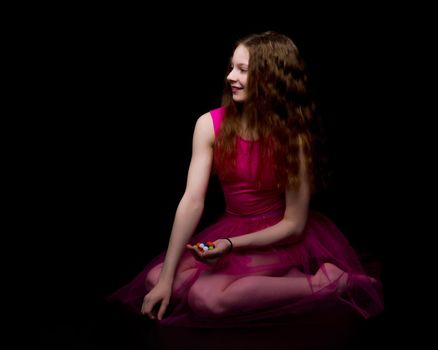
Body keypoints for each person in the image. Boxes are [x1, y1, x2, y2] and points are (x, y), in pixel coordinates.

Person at [107, 31, 384, 327]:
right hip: (232, 228)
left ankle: (324, 281)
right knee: (155, 278)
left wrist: (230, 244)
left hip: (279, 236)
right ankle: (277, 281)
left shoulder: (293, 138)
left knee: (206, 298)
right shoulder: (209, 124)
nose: (230, 77)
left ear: (270, 78)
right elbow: (192, 201)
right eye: (231, 67)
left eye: (242, 70)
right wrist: (165, 278)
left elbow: (294, 225)